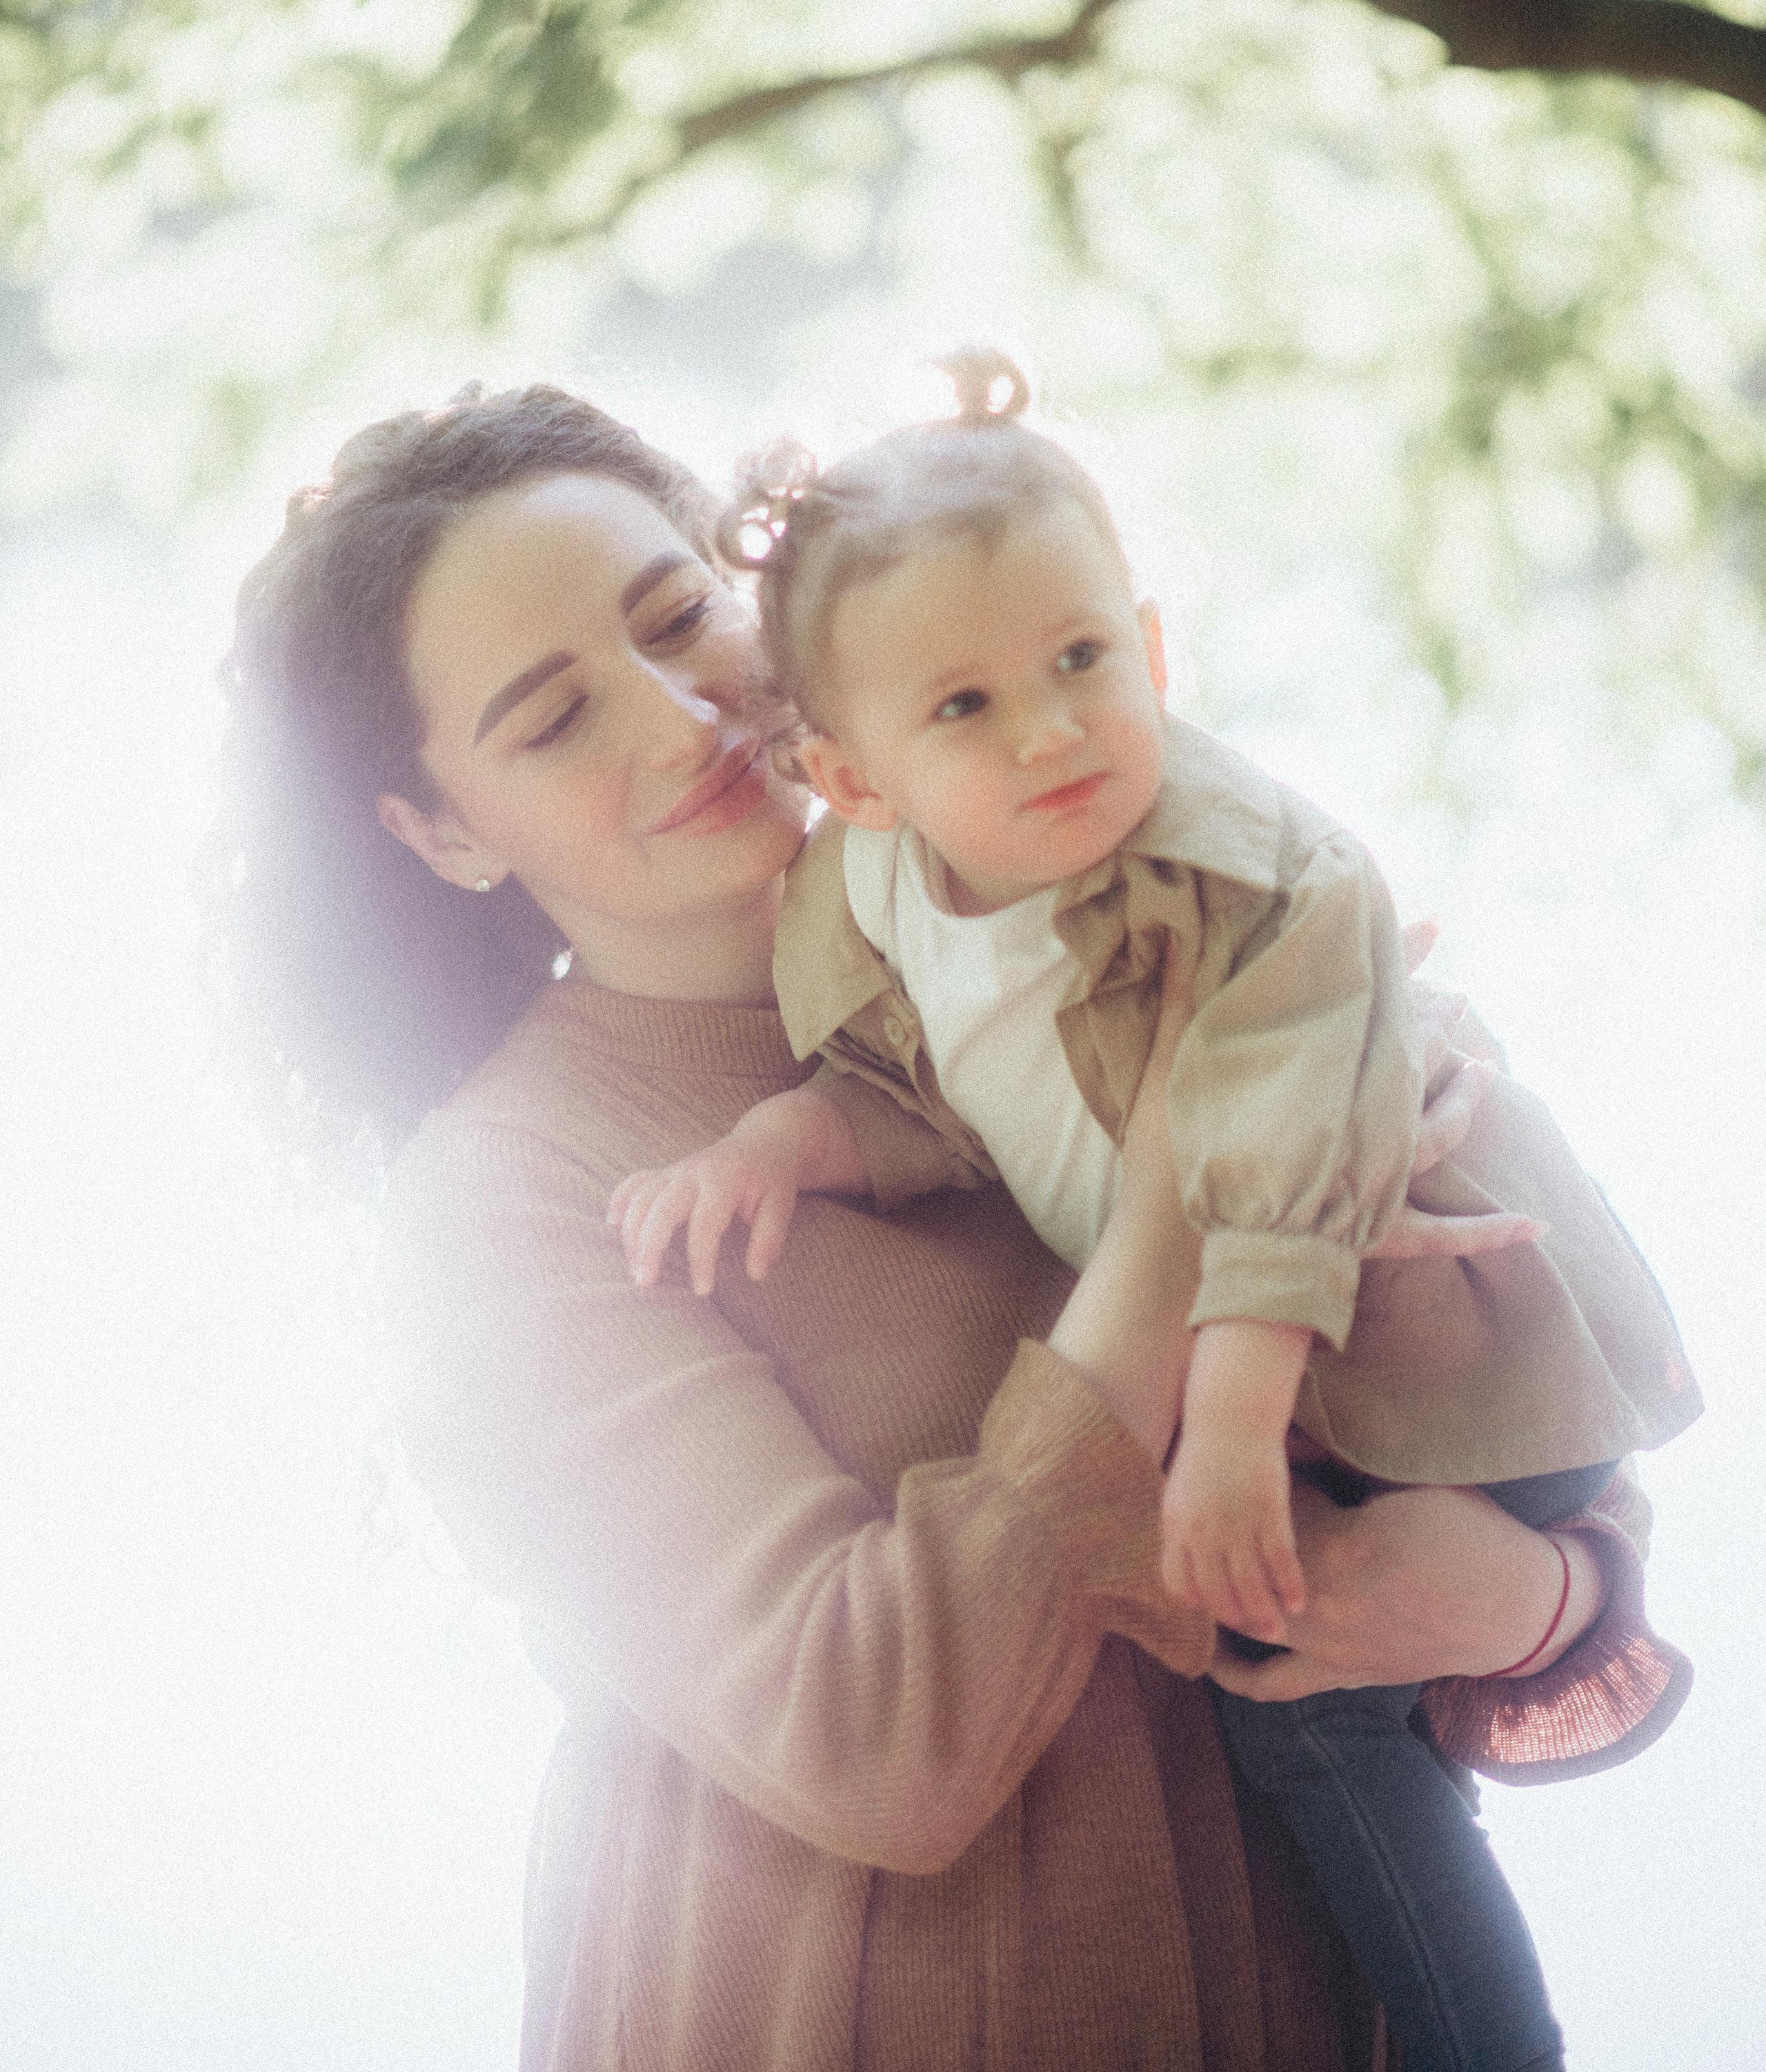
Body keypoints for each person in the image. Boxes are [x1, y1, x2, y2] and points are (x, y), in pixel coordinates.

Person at [212, 379, 1692, 2072]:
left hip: (1293, 1980)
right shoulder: (503, 1203)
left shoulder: (1148, 887)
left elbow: (1510, 1391)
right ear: (441, 830)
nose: (678, 717)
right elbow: (869, 1732)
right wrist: (1189, 1194)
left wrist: (1527, 1598)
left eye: (679, 616)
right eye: (550, 719)